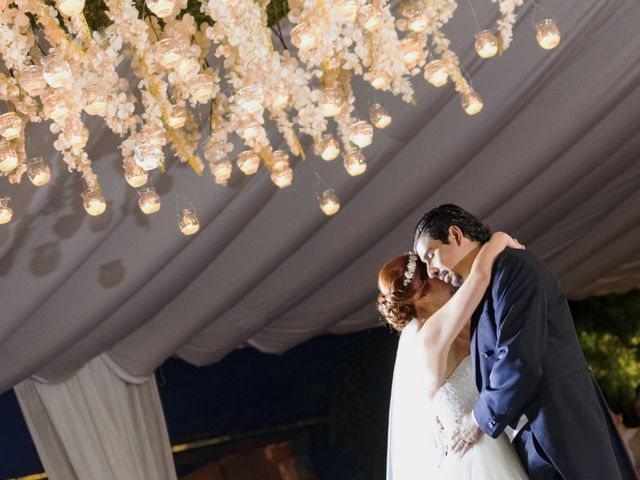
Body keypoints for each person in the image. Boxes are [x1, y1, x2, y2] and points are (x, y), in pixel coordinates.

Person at [413, 204, 635, 480]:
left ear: (456, 235)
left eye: (431, 256)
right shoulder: (486, 284)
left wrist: (477, 420)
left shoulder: (514, 267)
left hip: (564, 427)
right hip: (533, 440)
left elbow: (520, 358)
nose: (431, 271)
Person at [379, 232, 528, 479]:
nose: (446, 277)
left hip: (496, 440)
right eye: (434, 276)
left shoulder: (449, 329)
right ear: (420, 296)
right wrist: (499, 239)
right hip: (479, 457)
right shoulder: (427, 337)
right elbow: (479, 277)